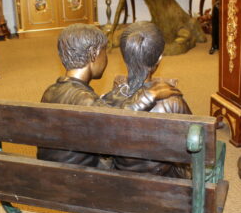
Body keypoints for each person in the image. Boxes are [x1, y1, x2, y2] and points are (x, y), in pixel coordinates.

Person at [37, 23, 181, 166]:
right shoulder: (85, 100)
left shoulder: (50, 92)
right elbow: (115, 125)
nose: (106, 58)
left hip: (49, 174)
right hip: (78, 181)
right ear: (94, 54)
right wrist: (149, 95)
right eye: (104, 51)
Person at [102, 21, 191, 178]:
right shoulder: (173, 102)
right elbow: (196, 146)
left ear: (124, 56)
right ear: (160, 57)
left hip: (121, 179)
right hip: (164, 185)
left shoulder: (108, 100)